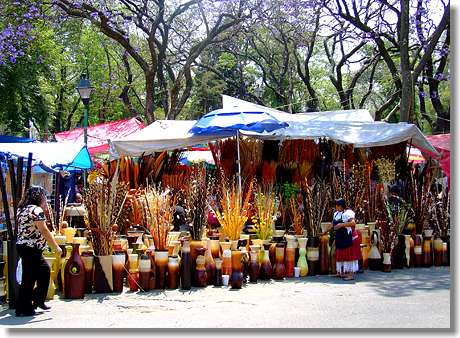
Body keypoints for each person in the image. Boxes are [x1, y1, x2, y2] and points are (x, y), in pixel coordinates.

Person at [15, 186, 63, 317]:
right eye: (44, 197)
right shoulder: (37, 210)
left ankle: (33, 302)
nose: (45, 199)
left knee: (39, 273)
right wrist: (55, 246)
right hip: (31, 248)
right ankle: (26, 306)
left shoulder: (22, 209)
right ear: (39, 197)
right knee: (32, 277)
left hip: (24, 247)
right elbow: (44, 230)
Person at [329, 198, 358, 280]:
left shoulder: (348, 213)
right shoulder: (336, 214)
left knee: (348, 255)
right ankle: (341, 272)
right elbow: (332, 224)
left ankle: (351, 274)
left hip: (346, 237)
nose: (336, 207)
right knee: (340, 255)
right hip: (339, 238)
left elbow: (353, 223)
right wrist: (324, 231)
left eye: (337, 206)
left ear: (341, 206)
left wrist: (341, 225)